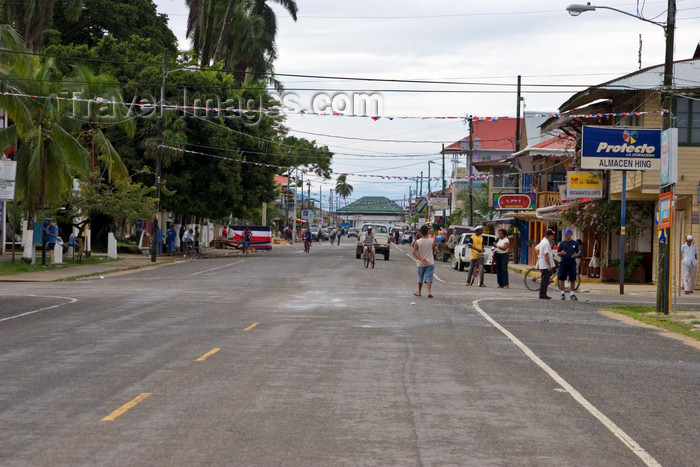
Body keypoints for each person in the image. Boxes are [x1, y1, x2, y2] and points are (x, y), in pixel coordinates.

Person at [413, 225, 436, 298]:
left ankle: (419, 292)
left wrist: (421, 258)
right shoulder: (432, 241)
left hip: (421, 263)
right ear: (428, 232)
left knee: (420, 277)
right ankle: (429, 292)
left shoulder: (418, 242)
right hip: (430, 262)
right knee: (429, 277)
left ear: (420, 233)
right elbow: (433, 250)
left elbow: (414, 252)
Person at [557, 228, 580, 300]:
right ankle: (562, 293)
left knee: (572, 278)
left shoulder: (574, 243)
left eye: (568, 235)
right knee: (562, 278)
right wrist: (561, 253)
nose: (567, 236)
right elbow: (558, 253)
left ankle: (572, 293)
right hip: (564, 262)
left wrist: (576, 255)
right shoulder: (562, 243)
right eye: (566, 235)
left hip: (572, 262)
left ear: (571, 235)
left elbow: (578, 252)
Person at [536, 229, 556, 299]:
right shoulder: (546, 243)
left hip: (542, 263)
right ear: (549, 236)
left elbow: (536, 248)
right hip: (545, 264)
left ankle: (542, 293)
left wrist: (539, 256)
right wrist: (549, 265)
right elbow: (546, 254)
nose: (553, 237)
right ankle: (542, 294)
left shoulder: (543, 241)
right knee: (545, 280)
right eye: (552, 236)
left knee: (544, 279)